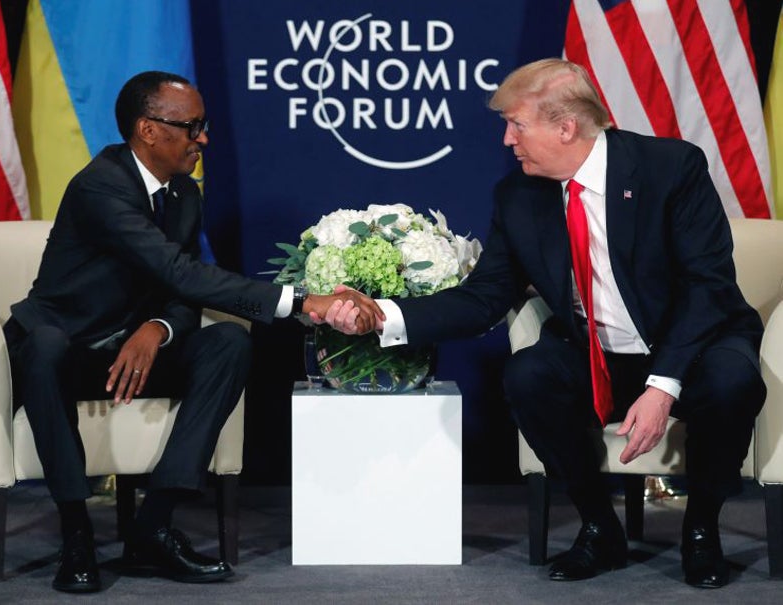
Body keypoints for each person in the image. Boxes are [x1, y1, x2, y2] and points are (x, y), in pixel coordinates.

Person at [328, 58, 766, 588]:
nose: (508, 140)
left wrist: (663, 384)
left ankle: (702, 529)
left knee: (732, 381)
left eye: (517, 124)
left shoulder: (669, 168)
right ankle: (599, 527)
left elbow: (708, 286)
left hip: (693, 346)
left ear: (565, 127)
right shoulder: (519, 196)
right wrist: (384, 316)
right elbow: (485, 297)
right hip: (596, 354)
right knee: (528, 375)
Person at [3, 70, 382, 594]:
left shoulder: (182, 193)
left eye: (203, 126)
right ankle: (77, 534)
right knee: (43, 347)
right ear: (148, 130)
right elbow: (180, 272)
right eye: (192, 127)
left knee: (228, 342)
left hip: (131, 348)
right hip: (63, 347)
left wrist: (157, 328)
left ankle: (154, 526)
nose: (203, 138)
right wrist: (302, 301)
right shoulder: (101, 185)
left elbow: (179, 292)